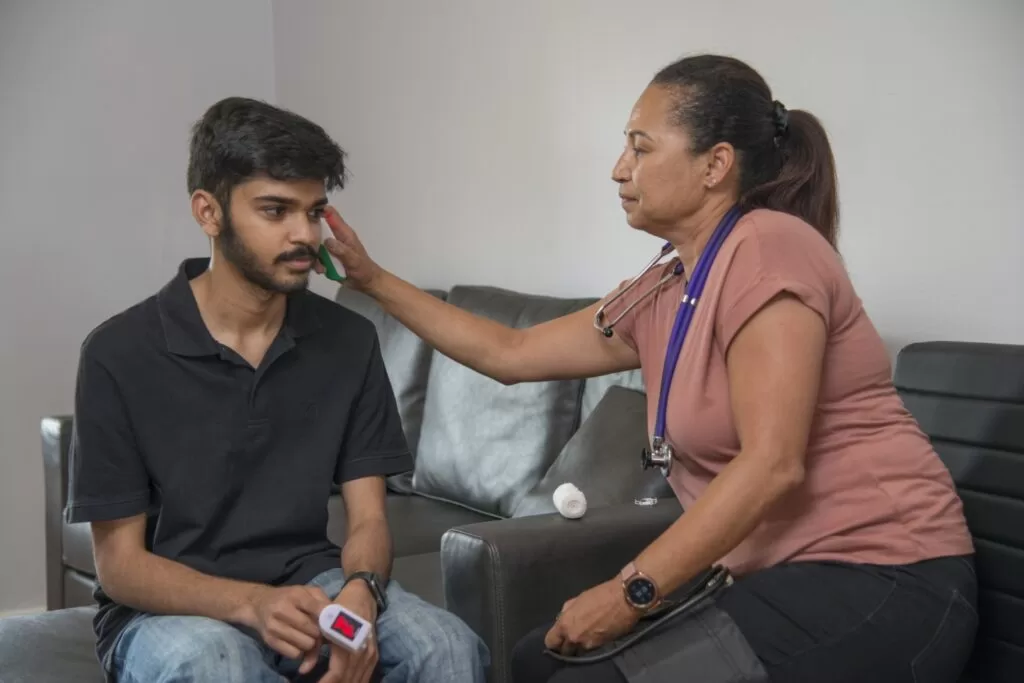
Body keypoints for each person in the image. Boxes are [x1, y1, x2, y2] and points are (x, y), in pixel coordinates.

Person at [316, 54, 979, 683]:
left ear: (715, 164)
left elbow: (773, 462)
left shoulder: (769, 245)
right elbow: (508, 354)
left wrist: (630, 591)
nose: (617, 168)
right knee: (536, 659)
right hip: (778, 576)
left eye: (640, 146)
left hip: (889, 577)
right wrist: (372, 278)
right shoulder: (666, 284)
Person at [65, 96, 489, 683]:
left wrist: (361, 593)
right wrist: (250, 604)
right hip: (169, 610)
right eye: (275, 211)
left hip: (309, 584)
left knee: (445, 646)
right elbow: (119, 567)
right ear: (208, 212)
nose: (303, 234)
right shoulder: (118, 353)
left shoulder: (348, 339)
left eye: (313, 213)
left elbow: (368, 521)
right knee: (217, 662)